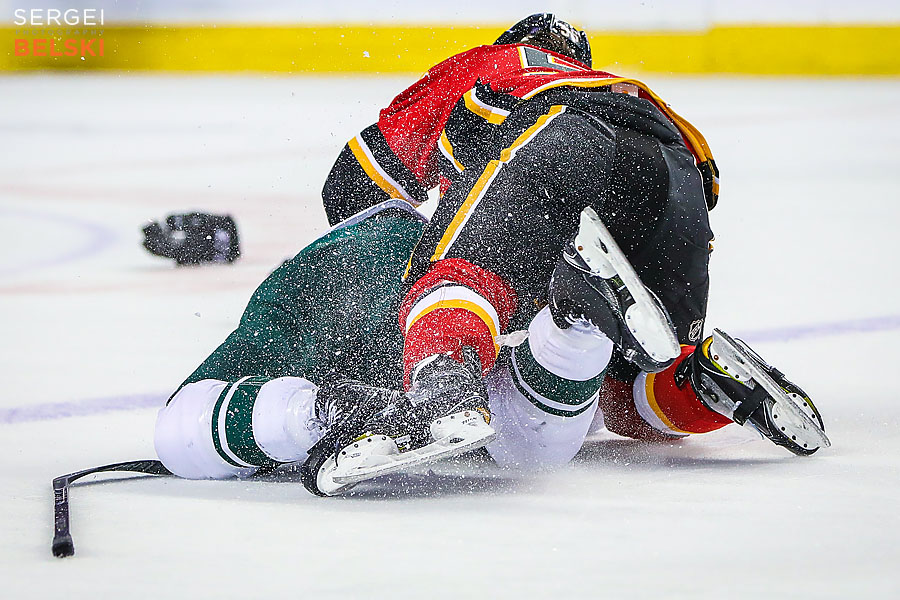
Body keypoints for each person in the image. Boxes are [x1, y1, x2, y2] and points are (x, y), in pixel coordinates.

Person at [323, 13, 828, 456]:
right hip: (679, 169)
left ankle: (445, 391)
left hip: (563, 135)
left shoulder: (494, 63)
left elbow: (351, 184)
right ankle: (703, 384)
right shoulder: (615, 84)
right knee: (628, 378)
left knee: (460, 275)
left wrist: (392, 290)